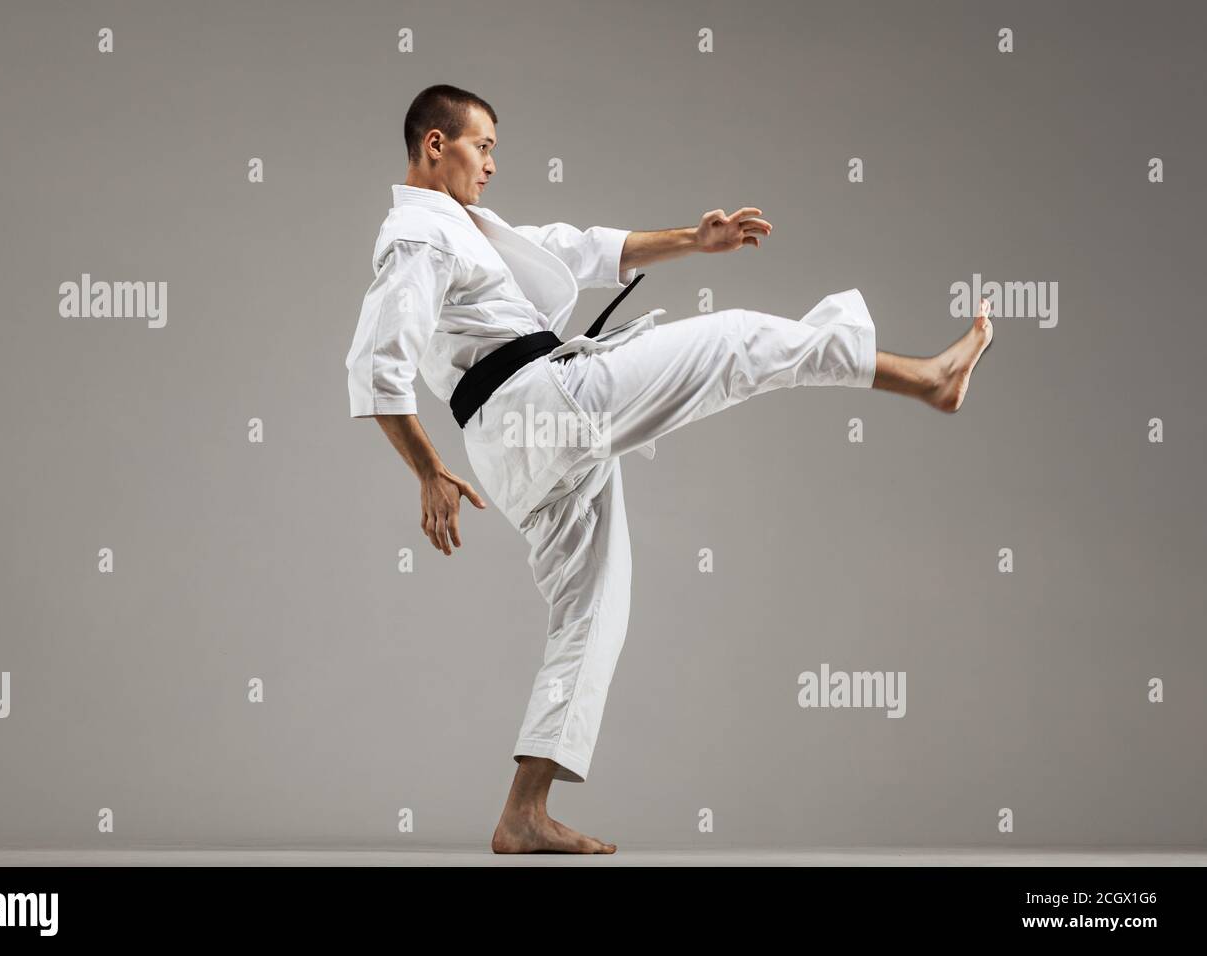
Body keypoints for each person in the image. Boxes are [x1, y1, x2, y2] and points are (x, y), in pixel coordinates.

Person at [346, 84, 993, 854]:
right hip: (538, 403)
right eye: (481, 147)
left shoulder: (466, 230)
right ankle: (927, 378)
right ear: (434, 145)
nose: (490, 164)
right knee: (737, 342)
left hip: (518, 440)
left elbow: (579, 247)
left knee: (594, 612)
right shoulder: (416, 234)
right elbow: (375, 363)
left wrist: (695, 238)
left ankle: (523, 811)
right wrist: (426, 470)